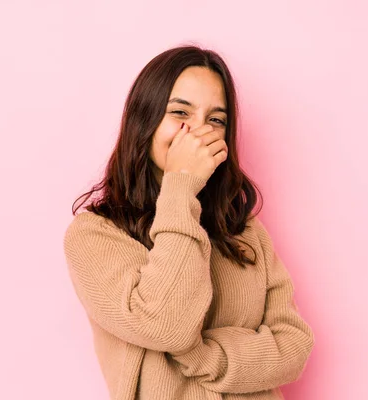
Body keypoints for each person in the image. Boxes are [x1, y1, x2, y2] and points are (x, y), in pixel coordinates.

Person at [63, 44, 315, 399]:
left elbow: (293, 345)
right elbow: (166, 326)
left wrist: (207, 357)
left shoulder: (243, 231)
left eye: (216, 119)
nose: (198, 132)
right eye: (181, 112)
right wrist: (181, 186)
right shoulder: (95, 235)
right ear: (145, 120)